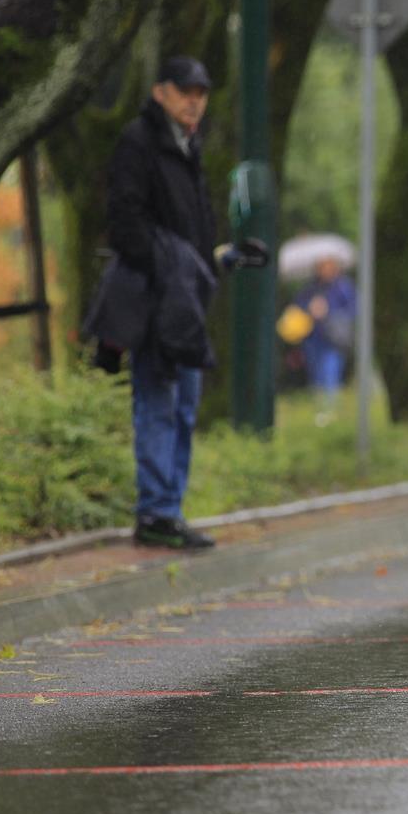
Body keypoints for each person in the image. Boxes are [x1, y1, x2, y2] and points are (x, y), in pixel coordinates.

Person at [103, 56, 266, 550]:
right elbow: (125, 223)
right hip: (158, 300)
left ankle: (169, 508)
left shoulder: (189, 146)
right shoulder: (140, 142)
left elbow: (191, 233)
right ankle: (156, 513)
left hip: (186, 300)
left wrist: (222, 257)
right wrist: (163, 269)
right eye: (184, 91)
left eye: (201, 93)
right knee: (158, 403)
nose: (194, 101)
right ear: (160, 92)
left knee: (184, 408)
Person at [298, 255, 357, 422]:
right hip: (313, 337)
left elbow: (353, 309)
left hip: (334, 338)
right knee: (315, 373)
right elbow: (298, 305)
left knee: (330, 371)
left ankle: (330, 409)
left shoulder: (343, 287)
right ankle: (319, 408)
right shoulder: (311, 287)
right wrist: (310, 308)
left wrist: (328, 311)